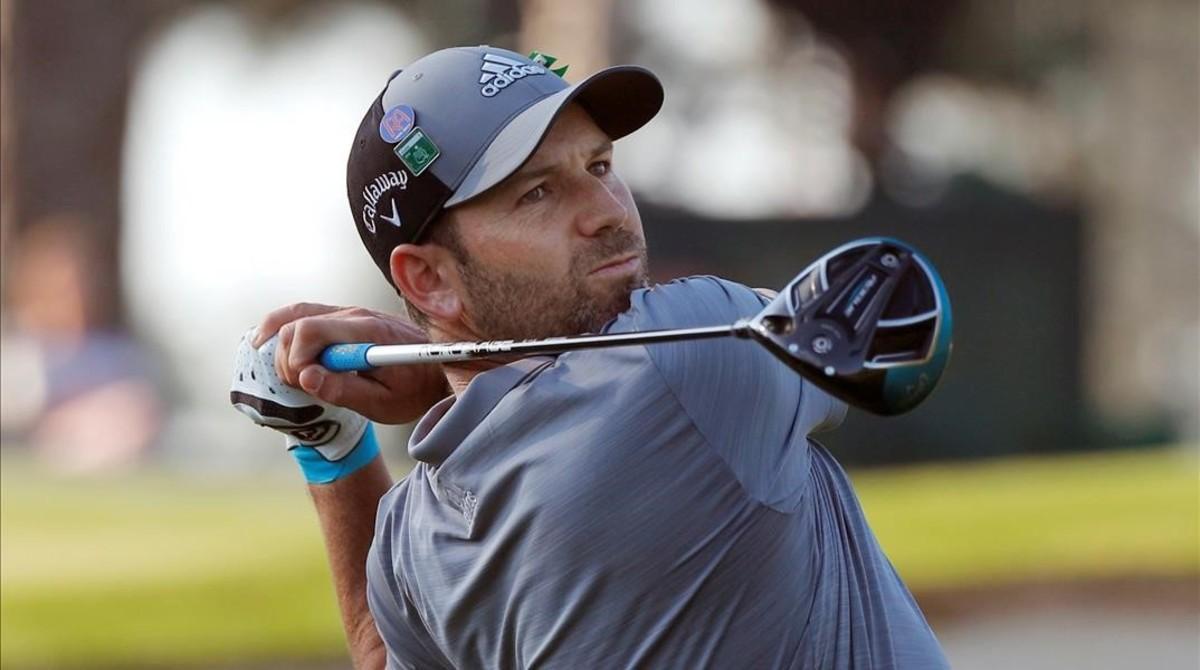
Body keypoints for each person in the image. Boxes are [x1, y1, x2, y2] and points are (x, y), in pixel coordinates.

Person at [231, 46, 949, 669]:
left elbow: (382, 651)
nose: (607, 209)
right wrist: (436, 387)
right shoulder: (691, 355)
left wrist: (331, 446)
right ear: (430, 280)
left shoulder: (419, 541)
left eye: (600, 163)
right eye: (537, 193)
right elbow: (875, 316)